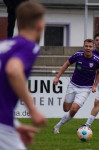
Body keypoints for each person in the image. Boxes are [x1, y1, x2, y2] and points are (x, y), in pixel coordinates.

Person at [0, 1, 47, 150]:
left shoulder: (5, 45)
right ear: (40, 26)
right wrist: (33, 110)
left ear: (18, 23)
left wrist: (15, 126)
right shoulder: (29, 46)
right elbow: (13, 69)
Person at [53, 39, 99, 134]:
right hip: (73, 85)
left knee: (74, 109)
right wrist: (57, 77)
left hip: (85, 88)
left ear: (93, 48)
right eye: (86, 46)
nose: (88, 48)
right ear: (83, 47)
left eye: (90, 46)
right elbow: (66, 64)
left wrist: (95, 85)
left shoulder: (97, 60)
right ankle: (70, 110)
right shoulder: (78, 55)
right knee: (66, 109)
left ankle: (57, 126)